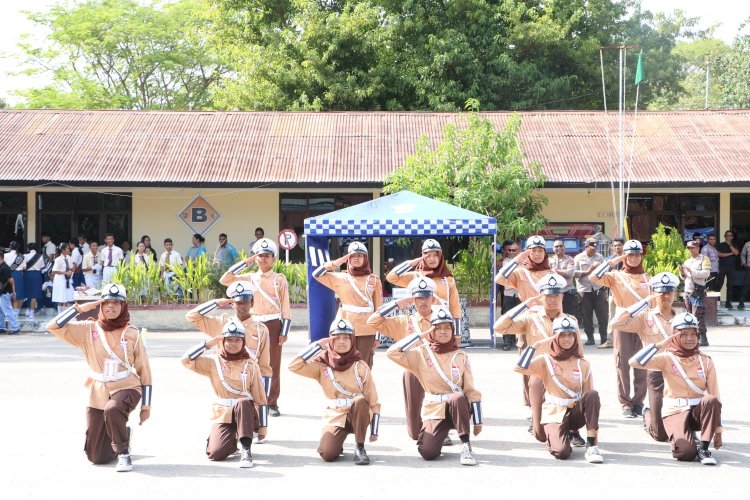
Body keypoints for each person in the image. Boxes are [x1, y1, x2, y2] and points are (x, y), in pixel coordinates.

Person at [46, 284, 153, 472]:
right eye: (106, 303)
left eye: (116, 303)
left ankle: (123, 454)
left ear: (124, 306)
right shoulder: (88, 329)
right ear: (100, 305)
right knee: (96, 456)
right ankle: (123, 433)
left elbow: (145, 370)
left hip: (126, 386)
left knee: (113, 409)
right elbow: (52, 326)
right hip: (98, 391)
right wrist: (80, 308)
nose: (110, 307)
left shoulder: (132, 333)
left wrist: (146, 406)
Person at [494, 273, 585, 442]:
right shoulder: (531, 318)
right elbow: (499, 327)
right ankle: (537, 421)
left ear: (562, 296)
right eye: (548, 295)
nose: (552, 299)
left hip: (563, 371)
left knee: (573, 395)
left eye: (556, 295)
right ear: (541, 296)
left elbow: (579, 351)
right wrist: (525, 306)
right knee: (540, 431)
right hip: (540, 371)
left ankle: (572, 429)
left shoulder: (570, 321)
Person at [386, 307, 482, 465]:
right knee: (428, 452)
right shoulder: (421, 354)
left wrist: (478, 421)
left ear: (452, 330)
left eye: (447, 328)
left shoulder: (460, 356)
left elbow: (471, 391)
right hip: (434, 409)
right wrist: (420, 336)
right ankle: (441, 434)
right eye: (438, 328)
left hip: (457, 408)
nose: (443, 332)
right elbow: (392, 353)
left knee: (458, 398)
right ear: (431, 331)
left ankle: (465, 445)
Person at [629, 312, 723, 465]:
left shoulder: (705, 361)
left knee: (711, 400)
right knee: (686, 452)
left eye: (694, 334)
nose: (690, 338)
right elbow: (633, 362)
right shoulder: (667, 357)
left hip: (697, 412)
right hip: (675, 411)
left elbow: (715, 397)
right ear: (674, 335)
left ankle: (704, 448)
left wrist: (718, 430)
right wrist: (659, 345)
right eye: (684, 334)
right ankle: (648, 415)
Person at [289, 318, 380, 465]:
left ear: (352, 340)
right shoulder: (322, 365)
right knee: (327, 454)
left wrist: (375, 430)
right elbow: (294, 366)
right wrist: (318, 345)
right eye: (337, 338)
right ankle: (337, 442)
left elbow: (374, 399)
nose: (342, 342)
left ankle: (360, 447)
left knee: (361, 401)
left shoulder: (360, 366)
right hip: (336, 414)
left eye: (346, 338)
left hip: (357, 415)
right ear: (331, 340)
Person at [514, 316, 603, 463]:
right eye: (562, 335)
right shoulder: (545, 360)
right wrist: (535, 346)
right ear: (555, 337)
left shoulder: (583, 364)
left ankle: (591, 446)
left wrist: (595, 438)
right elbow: (519, 367)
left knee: (592, 395)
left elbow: (589, 401)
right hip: (555, 413)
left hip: (575, 413)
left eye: (570, 335)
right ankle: (556, 436)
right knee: (562, 452)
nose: (567, 339)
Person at [182, 319, 268, 468]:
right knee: (216, 454)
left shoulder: (251, 364)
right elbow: (186, 360)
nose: (233, 344)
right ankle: (231, 440)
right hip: (224, 412)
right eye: (228, 340)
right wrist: (208, 344)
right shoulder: (213, 362)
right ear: (223, 341)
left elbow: (261, 397)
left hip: (246, 413)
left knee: (243, 402)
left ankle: (246, 449)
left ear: (243, 341)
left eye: (237, 340)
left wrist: (263, 428)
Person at [221, 238, 291, 417]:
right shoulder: (250, 277)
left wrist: (284, 332)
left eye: (267, 256)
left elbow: (285, 306)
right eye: (260, 256)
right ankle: (248, 397)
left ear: (273, 259)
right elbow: (225, 279)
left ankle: (271, 402)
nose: (263, 259)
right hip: (253, 323)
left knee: (272, 364)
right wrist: (248, 261)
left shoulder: (279, 279)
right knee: (248, 361)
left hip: (273, 324)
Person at [610, 272, 681, 442]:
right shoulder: (645, 317)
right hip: (655, 372)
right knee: (659, 435)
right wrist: (643, 302)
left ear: (675, 293)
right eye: (660, 292)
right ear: (654, 293)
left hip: (677, 372)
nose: (665, 296)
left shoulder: (682, 318)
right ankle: (648, 413)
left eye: (669, 292)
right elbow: (615, 323)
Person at [186, 281, 272, 420]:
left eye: (245, 302)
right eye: (238, 302)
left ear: (252, 303)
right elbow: (192, 316)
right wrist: (216, 303)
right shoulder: (222, 323)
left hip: (248, 382)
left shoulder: (260, 329)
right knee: (224, 425)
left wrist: (264, 398)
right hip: (225, 381)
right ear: (232, 304)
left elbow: (265, 366)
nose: (241, 306)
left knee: (249, 426)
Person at [367, 277, 438, 441]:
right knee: (414, 433)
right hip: (413, 369)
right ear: (413, 300)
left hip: (437, 368)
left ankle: (441, 427)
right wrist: (397, 304)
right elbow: (373, 321)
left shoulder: (440, 319)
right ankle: (421, 428)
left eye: (426, 297)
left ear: (433, 299)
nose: (423, 302)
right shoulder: (405, 321)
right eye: (419, 298)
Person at [591, 239, 649, 418]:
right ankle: (625, 403)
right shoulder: (616, 276)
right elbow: (594, 277)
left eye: (636, 255)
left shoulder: (647, 278)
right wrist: (614, 261)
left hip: (644, 326)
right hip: (623, 323)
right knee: (622, 364)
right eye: (629, 255)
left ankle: (638, 403)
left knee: (642, 363)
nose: (633, 258)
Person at [312, 241, 383, 367]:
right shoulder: (340, 277)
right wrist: (336, 263)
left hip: (367, 328)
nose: (356, 258)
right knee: (342, 360)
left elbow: (379, 308)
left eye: (360, 256)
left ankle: (362, 386)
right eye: (352, 256)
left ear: (365, 258)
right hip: (344, 325)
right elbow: (316, 274)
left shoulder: (374, 280)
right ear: (347, 258)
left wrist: (378, 335)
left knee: (363, 362)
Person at [388, 239, 462, 336]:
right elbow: (391, 277)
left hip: (442, 324)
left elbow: (455, 308)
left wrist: (457, 334)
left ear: (440, 257)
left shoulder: (448, 279)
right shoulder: (416, 276)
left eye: (435, 255)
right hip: (420, 325)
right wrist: (414, 262)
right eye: (428, 255)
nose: (432, 259)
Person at [573, 237, 608, 346]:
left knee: (602, 315)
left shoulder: (600, 257)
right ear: (586, 247)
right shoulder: (578, 258)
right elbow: (574, 273)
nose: (594, 250)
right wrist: (588, 271)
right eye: (592, 248)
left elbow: (605, 271)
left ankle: (604, 338)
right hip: (584, 290)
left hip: (598, 289)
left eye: (595, 248)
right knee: (586, 315)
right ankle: (590, 338)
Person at [680, 241, 711, 347]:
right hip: (688, 291)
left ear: (698, 248)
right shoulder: (687, 261)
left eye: (693, 248)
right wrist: (682, 273)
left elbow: (706, 273)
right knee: (689, 317)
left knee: (698, 316)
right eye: (689, 248)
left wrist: (692, 271)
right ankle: (693, 338)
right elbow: (684, 277)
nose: (690, 250)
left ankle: (703, 338)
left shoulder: (704, 259)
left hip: (698, 291)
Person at [602, 238, 625, 349]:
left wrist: (619, 273)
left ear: (623, 246)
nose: (617, 247)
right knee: (612, 316)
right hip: (612, 292)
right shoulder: (609, 260)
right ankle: (610, 340)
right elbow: (603, 274)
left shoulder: (628, 259)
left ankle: (624, 340)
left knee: (625, 316)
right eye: (615, 245)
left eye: (619, 245)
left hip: (626, 293)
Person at [498, 241, 522, 350]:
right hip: (509, 295)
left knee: (521, 319)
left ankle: (520, 342)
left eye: (514, 250)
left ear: (520, 251)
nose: (511, 252)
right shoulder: (506, 262)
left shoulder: (526, 262)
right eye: (510, 250)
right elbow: (509, 274)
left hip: (521, 294)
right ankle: (507, 342)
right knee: (507, 318)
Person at [548, 239, 578, 318]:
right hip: (553, 293)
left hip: (567, 291)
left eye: (561, 246)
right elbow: (546, 274)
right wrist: (561, 272)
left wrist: (554, 270)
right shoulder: (549, 260)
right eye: (556, 246)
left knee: (569, 317)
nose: (559, 248)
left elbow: (569, 274)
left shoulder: (570, 259)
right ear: (553, 248)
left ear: (564, 247)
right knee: (554, 317)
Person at [715, 230, 739, 309]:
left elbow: (736, 253)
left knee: (730, 285)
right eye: (727, 235)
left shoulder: (734, 245)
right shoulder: (720, 245)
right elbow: (719, 254)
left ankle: (728, 303)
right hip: (722, 267)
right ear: (725, 236)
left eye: (730, 236)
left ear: (732, 237)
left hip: (732, 267)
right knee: (719, 284)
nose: (729, 237)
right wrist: (730, 253)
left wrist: (730, 245)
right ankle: (715, 301)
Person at [22, 242, 45, 320]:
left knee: (28, 293)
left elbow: (23, 267)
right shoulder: (40, 256)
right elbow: (42, 267)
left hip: (27, 275)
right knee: (34, 294)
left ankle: (28, 310)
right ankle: (31, 312)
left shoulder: (25, 256)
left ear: (28, 248)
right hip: (36, 275)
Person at [51, 242, 75, 312]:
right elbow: (54, 271)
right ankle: (60, 313)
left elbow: (71, 267)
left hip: (67, 279)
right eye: (67, 248)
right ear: (63, 250)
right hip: (60, 279)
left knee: (67, 296)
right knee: (61, 297)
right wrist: (65, 273)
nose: (69, 249)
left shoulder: (69, 257)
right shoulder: (58, 259)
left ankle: (65, 313)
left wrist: (70, 271)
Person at [0, 252, 20, 334]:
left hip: (5, 292)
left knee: (7, 311)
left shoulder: (4, 267)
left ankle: (15, 328)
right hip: (2, 292)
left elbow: (11, 280)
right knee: (0, 311)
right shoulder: (2, 267)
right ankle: (1, 327)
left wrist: (13, 291)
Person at [5, 241, 27, 317]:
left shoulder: (5, 255)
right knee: (18, 292)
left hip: (7, 274)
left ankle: (9, 311)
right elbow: (24, 267)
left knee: (7, 292)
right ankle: (16, 311)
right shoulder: (21, 256)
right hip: (18, 274)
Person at [738, 238, 750, 310]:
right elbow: (742, 254)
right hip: (749, 267)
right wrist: (744, 263)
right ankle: (741, 301)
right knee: (747, 284)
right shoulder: (747, 244)